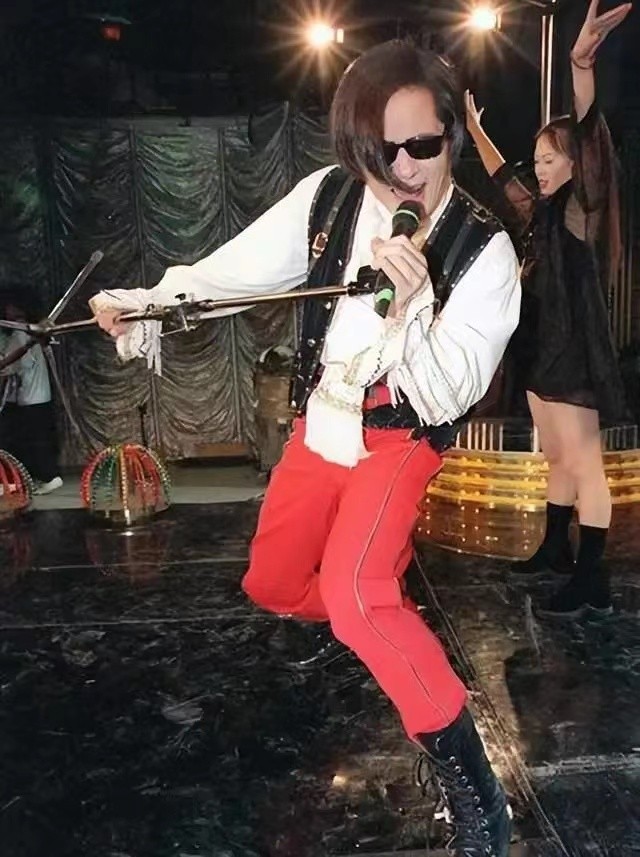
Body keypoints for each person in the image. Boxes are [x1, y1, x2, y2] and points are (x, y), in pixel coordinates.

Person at [90, 40, 520, 856]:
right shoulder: (329, 198)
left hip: (402, 433)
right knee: (274, 581)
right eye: (379, 152)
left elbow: (450, 391)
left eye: (421, 145)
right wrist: (149, 302)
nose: (402, 169)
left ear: (451, 135)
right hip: (324, 420)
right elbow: (233, 272)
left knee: (357, 595)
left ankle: (478, 790)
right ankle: (380, 610)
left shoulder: (483, 248)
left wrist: (413, 311)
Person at [465, 0, 631, 620]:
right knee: (557, 458)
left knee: (585, 463)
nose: (538, 166)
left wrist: (580, 66)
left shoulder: (582, 208)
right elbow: (501, 177)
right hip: (541, 348)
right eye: (537, 158)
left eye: (549, 157)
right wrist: (475, 131)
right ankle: (554, 549)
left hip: (574, 352)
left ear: (574, 163)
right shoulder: (540, 211)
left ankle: (592, 577)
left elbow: (589, 137)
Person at [0, 298, 63, 495]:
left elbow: (15, 364)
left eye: (10, 307)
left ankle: (48, 477)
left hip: (32, 398)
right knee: (33, 440)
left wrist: (4, 366)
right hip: (35, 396)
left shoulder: (21, 334)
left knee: (34, 441)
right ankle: (39, 477)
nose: (7, 310)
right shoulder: (30, 333)